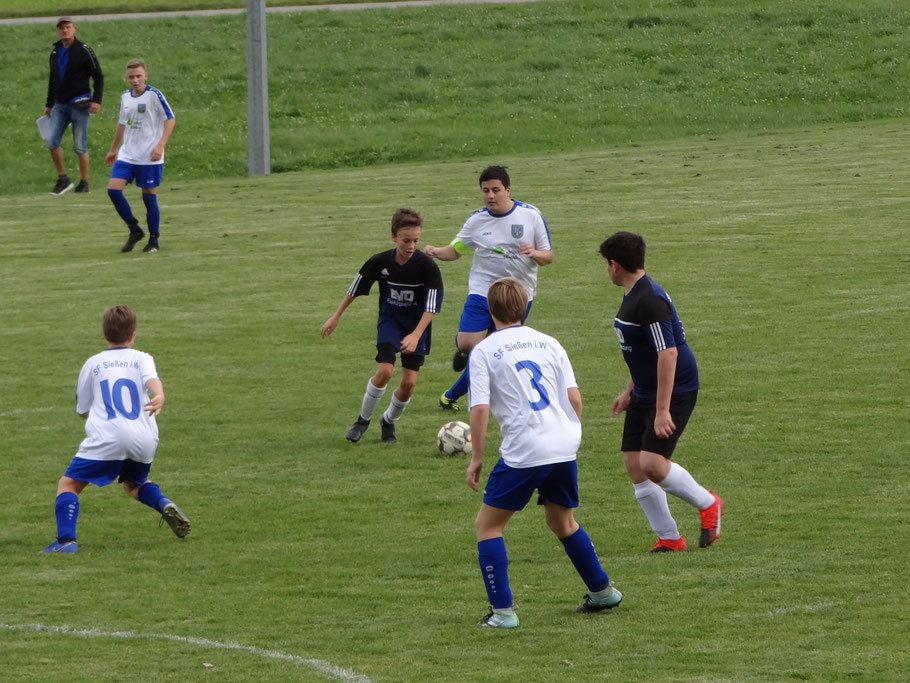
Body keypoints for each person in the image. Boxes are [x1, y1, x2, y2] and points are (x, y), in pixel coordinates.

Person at [466, 277, 622, 628]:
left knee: (488, 526)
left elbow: (479, 409)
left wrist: (476, 457)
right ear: (524, 307)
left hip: (526, 448)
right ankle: (602, 591)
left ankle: (503, 612)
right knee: (561, 521)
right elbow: (575, 399)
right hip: (564, 441)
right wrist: (563, 433)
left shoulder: (485, 351)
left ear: (490, 312)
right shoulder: (550, 343)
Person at [599, 231, 723, 553]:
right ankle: (669, 538)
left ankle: (708, 503)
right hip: (645, 389)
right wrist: (629, 390)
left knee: (653, 463)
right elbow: (642, 351)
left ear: (614, 264)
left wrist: (663, 410)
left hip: (675, 388)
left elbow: (667, 353)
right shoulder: (633, 293)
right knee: (634, 464)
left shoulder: (649, 301)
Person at [41, 305, 190, 553]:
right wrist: (160, 394)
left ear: (104, 333)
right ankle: (162, 503)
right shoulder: (143, 357)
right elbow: (151, 380)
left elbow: (82, 410)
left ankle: (65, 542)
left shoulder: (93, 364)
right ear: (133, 334)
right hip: (144, 436)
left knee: (68, 485)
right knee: (134, 483)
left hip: (109, 436)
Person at [425, 165, 552, 412]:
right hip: (483, 290)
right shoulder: (476, 220)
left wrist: (535, 253)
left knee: (493, 354)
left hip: (518, 294)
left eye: (495, 190)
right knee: (468, 345)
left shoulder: (531, 216)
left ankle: (449, 397)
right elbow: (457, 249)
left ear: (508, 190)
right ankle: (462, 349)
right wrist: (437, 252)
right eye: (485, 191)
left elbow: (548, 255)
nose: (490, 196)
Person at [321, 208, 444, 444]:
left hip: (416, 328)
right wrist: (335, 316)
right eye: (406, 240)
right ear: (393, 237)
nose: (411, 246)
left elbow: (431, 307)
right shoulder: (380, 261)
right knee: (385, 371)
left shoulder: (427, 267)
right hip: (390, 323)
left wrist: (416, 335)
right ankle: (362, 421)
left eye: (416, 240)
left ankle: (388, 422)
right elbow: (354, 289)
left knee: (408, 384)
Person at [105, 59, 175, 254]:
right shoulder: (125, 97)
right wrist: (113, 148)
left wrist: (160, 145)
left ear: (145, 76)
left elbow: (170, 119)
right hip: (127, 154)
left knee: (149, 198)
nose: (135, 80)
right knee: (113, 191)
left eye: (138, 76)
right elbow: (123, 122)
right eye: (131, 77)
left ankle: (154, 240)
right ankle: (134, 230)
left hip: (149, 156)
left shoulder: (154, 95)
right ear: (126, 78)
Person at [45, 16, 104, 196]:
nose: (65, 30)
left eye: (68, 27)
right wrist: (49, 104)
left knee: (80, 145)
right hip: (60, 105)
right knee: (51, 141)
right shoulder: (54, 53)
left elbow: (98, 76)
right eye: (61, 28)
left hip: (80, 103)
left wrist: (96, 100)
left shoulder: (84, 50)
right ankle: (63, 178)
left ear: (74, 29)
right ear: (58, 31)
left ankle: (84, 182)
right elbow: (53, 80)